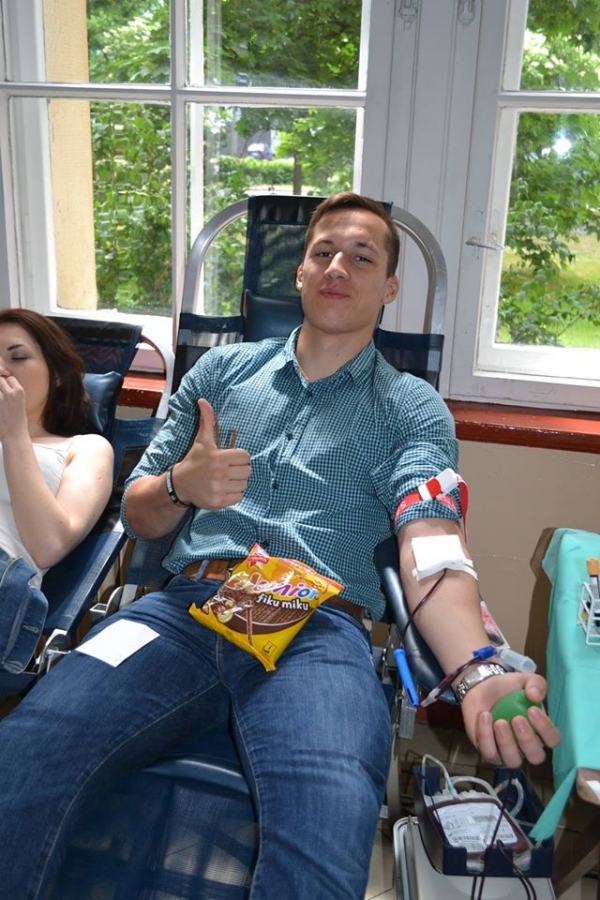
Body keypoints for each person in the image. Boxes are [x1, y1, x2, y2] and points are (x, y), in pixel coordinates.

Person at [0, 196, 560, 900]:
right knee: (22, 758)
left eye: (362, 257)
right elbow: (139, 515)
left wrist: (476, 668)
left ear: (389, 287)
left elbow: (432, 539)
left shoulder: (412, 409)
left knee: (325, 836)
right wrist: (180, 485)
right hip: (178, 614)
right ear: (300, 273)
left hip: (320, 633)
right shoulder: (219, 376)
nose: (338, 267)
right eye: (323, 252)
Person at [0, 309, 114, 674]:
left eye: (18, 357)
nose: (1, 369)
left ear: (59, 375)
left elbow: (48, 546)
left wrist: (14, 433)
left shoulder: (84, 448)